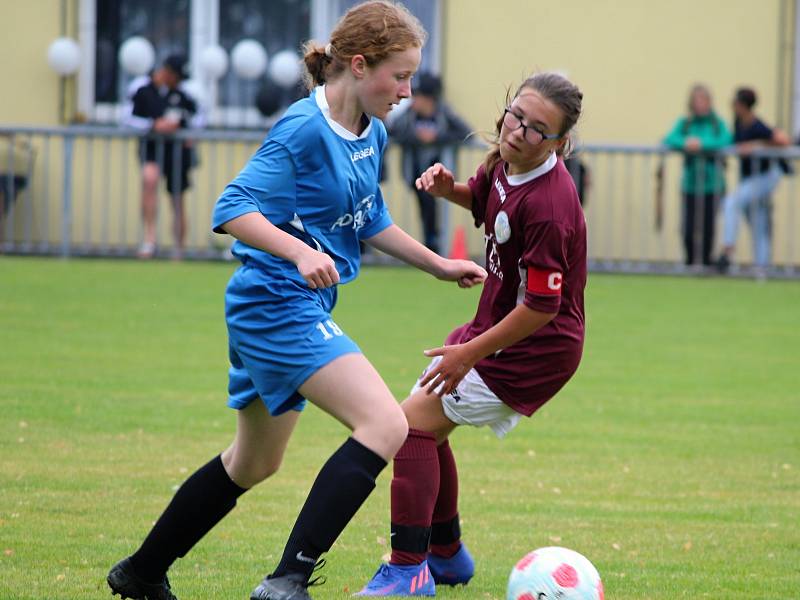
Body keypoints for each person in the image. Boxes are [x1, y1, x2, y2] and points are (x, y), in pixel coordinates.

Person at [106, 3, 487, 600]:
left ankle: (141, 572)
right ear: (359, 66)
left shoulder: (373, 130)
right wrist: (298, 253)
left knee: (253, 463)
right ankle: (288, 580)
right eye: (400, 75)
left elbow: (370, 217)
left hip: (286, 306)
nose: (409, 91)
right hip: (275, 303)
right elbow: (232, 208)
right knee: (386, 423)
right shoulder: (302, 128)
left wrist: (437, 264)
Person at [357, 72, 586, 596]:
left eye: (537, 129)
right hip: (493, 328)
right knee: (425, 428)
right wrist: (449, 191)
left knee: (407, 428)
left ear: (559, 143)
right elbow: (487, 204)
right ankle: (446, 555)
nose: (519, 132)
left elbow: (542, 308)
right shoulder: (506, 160)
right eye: (516, 116)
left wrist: (468, 354)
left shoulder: (551, 205)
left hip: (534, 349)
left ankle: (409, 568)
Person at [123, 54, 202, 259]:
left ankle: (179, 248)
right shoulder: (142, 89)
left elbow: (199, 117)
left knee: (177, 198)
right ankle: (149, 240)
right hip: (151, 148)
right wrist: (153, 125)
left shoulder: (185, 93)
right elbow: (126, 118)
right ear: (167, 72)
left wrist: (190, 134)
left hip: (177, 153)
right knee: (149, 179)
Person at [388, 72, 472, 254]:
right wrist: (417, 138)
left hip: (439, 175)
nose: (413, 100)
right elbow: (391, 132)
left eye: (418, 96)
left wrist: (437, 138)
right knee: (425, 207)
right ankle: (430, 244)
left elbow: (465, 132)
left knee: (433, 208)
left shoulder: (444, 113)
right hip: (415, 172)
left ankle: (434, 244)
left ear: (430, 99)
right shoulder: (408, 115)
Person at [717, 87, 790, 274]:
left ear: (743, 106)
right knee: (757, 219)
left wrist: (757, 145)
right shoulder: (738, 122)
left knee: (732, 202)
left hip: (765, 176)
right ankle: (762, 266)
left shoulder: (757, 125)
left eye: (735, 103)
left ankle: (727, 249)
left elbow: (783, 140)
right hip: (750, 177)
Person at [664, 84, 732, 267]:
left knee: (708, 226)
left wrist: (701, 144)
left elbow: (726, 139)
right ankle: (690, 261)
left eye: (704, 100)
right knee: (687, 227)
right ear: (691, 103)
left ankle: (706, 262)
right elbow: (669, 138)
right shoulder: (685, 123)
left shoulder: (717, 123)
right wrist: (686, 142)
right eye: (697, 100)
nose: (701, 104)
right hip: (690, 184)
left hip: (713, 185)